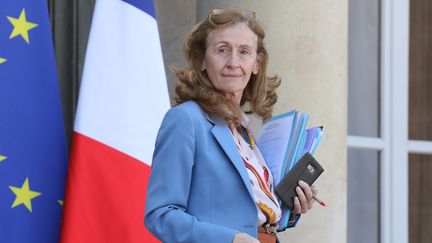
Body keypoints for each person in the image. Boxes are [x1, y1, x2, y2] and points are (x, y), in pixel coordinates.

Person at [144, 9, 316, 243]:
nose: (233, 63)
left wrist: (291, 206)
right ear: (202, 60)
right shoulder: (185, 120)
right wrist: (229, 240)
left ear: (257, 63)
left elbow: (246, 211)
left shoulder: (243, 131)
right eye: (222, 50)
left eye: (244, 52)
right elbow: (160, 215)